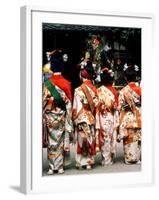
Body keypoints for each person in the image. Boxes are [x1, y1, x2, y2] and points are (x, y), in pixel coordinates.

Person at [43, 49, 73, 174]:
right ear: (62, 65)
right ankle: (60, 166)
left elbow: (43, 101)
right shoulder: (66, 83)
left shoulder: (47, 84)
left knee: (51, 141)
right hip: (61, 116)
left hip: (50, 116)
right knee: (60, 140)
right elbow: (69, 103)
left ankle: (51, 167)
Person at [72, 60, 98, 169]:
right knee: (90, 138)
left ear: (82, 75)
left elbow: (75, 106)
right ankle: (89, 163)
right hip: (90, 117)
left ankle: (81, 162)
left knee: (81, 140)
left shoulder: (78, 90)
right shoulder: (94, 89)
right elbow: (97, 104)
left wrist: (74, 118)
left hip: (81, 117)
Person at [117, 66, 141, 164]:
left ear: (126, 78)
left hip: (127, 117)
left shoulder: (123, 91)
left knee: (129, 137)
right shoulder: (140, 89)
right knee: (138, 137)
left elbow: (120, 107)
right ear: (135, 77)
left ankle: (129, 158)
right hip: (139, 115)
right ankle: (138, 158)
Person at [96, 67, 119, 165]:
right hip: (111, 116)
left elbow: (96, 104)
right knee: (111, 136)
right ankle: (110, 158)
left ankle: (105, 159)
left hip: (102, 116)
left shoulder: (98, 90)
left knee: (104, 137)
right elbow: (117, 106)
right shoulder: (114, 91)